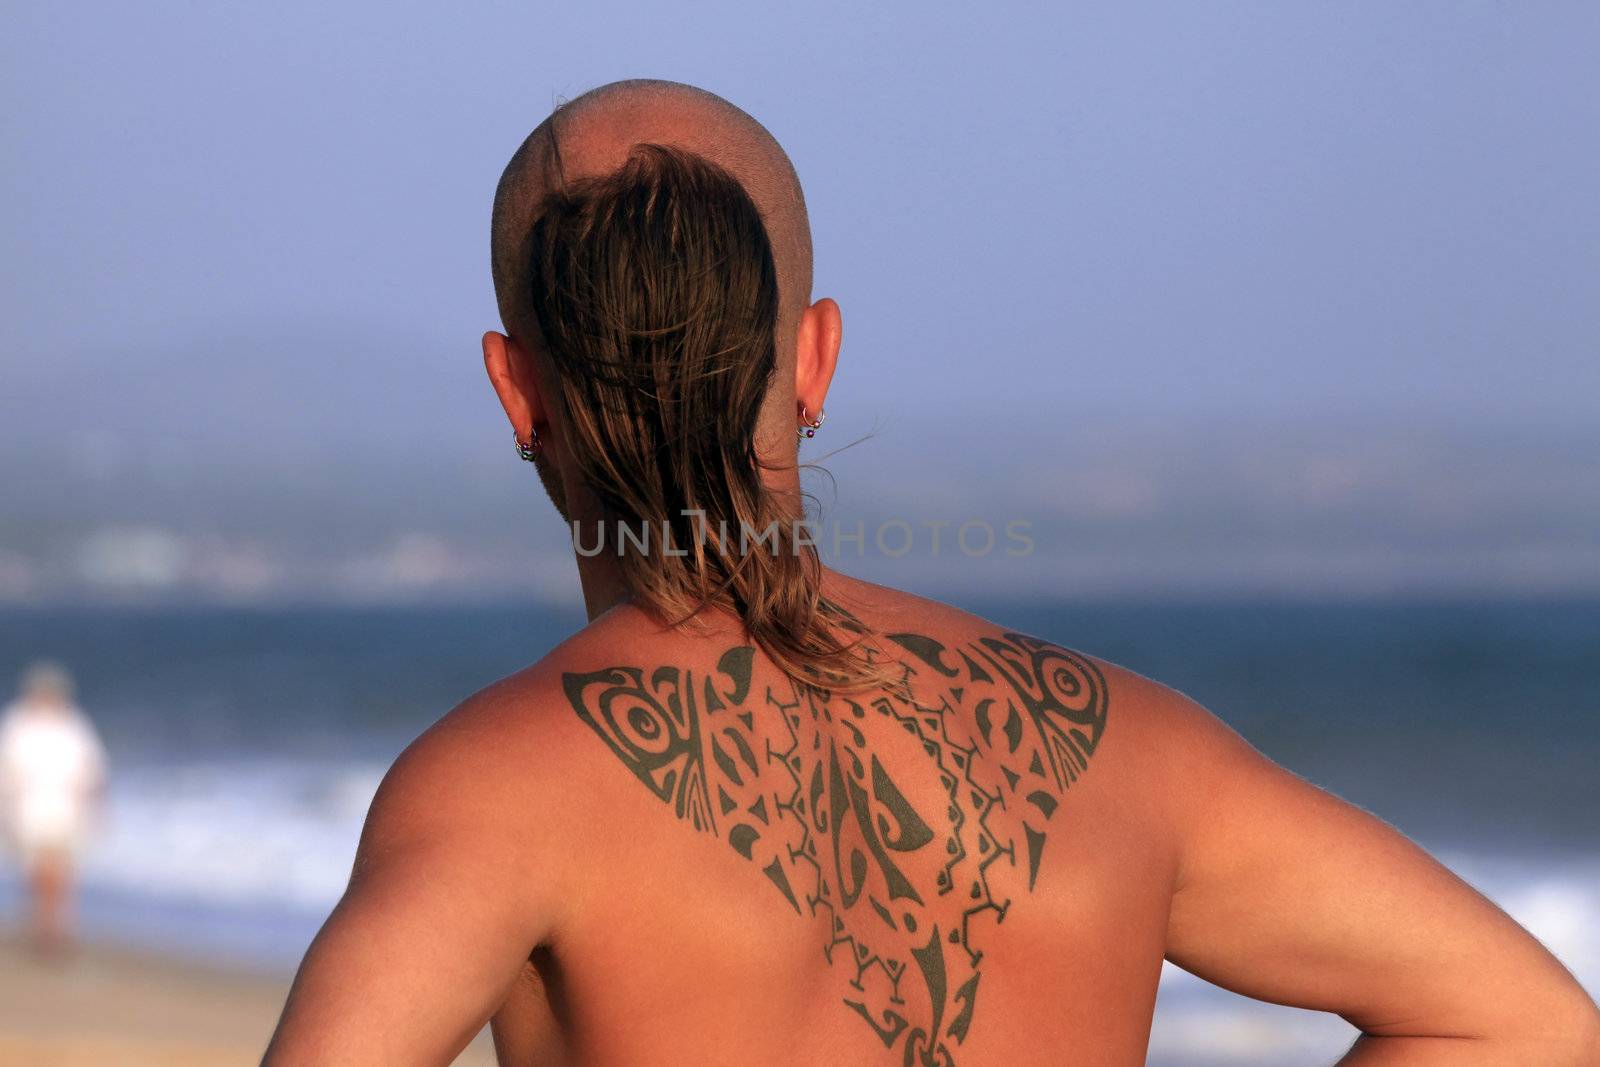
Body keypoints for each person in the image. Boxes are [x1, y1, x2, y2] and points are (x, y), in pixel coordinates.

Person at [265, 80, 1600, 1065]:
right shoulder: (1123, 747)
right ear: (813, 359)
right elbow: (1527, 1022)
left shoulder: (503, 786)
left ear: (516, 389)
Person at [0, 661, 107, 957]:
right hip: (29, 810)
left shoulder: (74, 725)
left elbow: (92, 770)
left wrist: (96, 806)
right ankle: (44, 926)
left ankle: (56, 928)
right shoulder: (16, 724)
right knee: (38, 872)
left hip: (66, 809)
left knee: (63, 873)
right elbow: (7, 771)